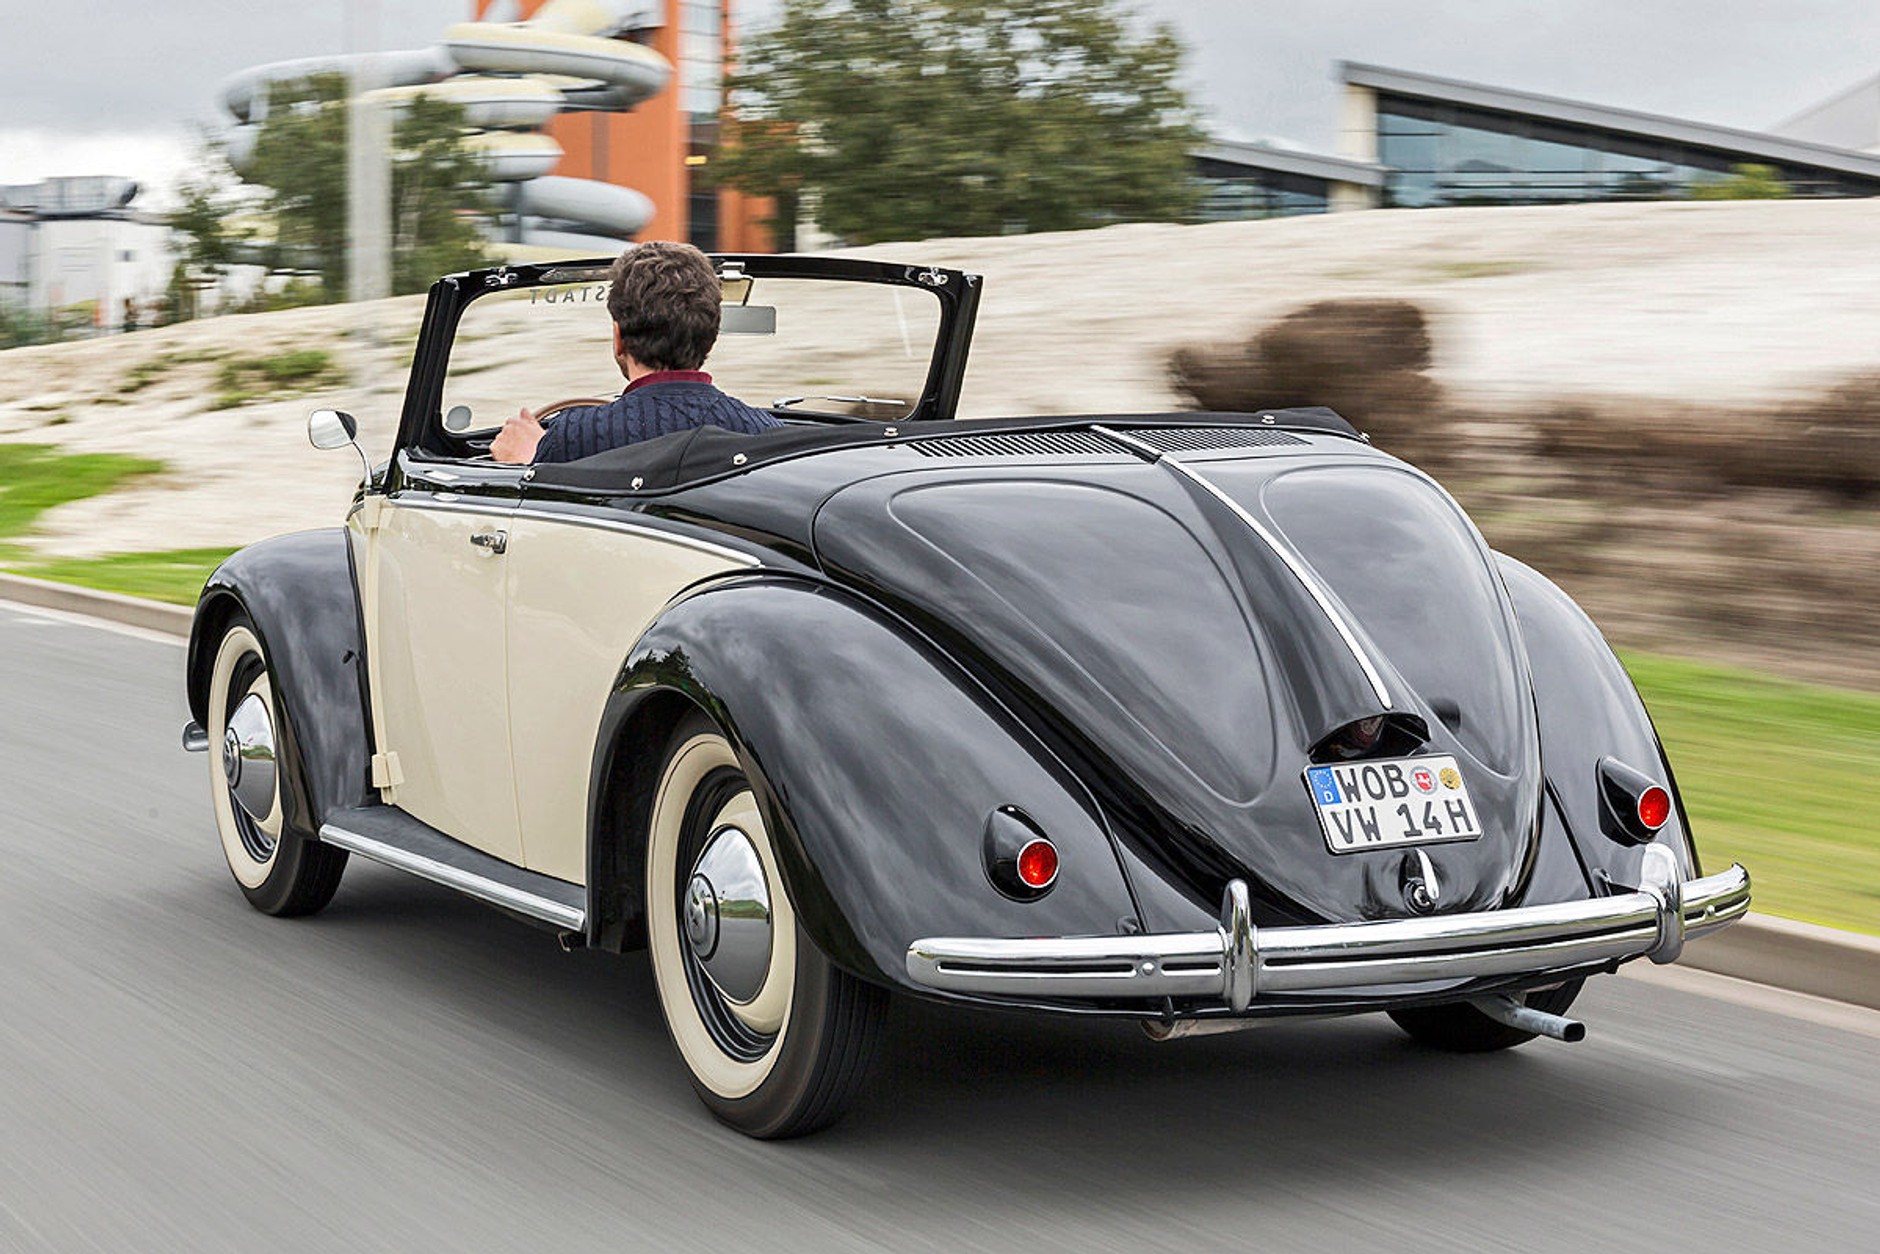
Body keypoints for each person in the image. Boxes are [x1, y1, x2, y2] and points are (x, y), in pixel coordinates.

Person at [491, 240, 781, 464]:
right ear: (712, 338)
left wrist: (531, 458)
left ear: (619, 338)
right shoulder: (768, 434)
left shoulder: (571, 437)